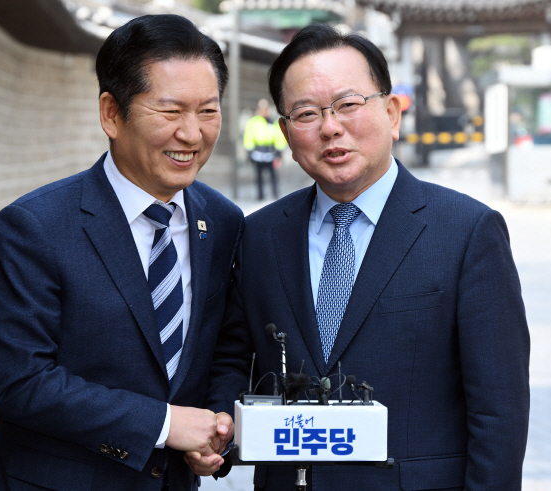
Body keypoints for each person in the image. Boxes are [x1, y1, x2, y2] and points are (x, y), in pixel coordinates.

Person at [203, 24, 530, 490]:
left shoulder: (467, 232)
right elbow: (234, 357)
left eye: (349, 104)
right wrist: (220, 424)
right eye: (306, 113)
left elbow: (499, 412)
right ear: (286, 134)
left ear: (392, 113)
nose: (330, 127)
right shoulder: (259, 235)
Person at [0, 14, 243, 490]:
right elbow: (21, 382)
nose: (192, 134)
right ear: (111, 114)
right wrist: (164, 424)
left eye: (208, 111)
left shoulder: (224, 221)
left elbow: (226, 347)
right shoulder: (35, 226)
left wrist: (218, 428)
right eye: (170, 111)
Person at [243, 99, 287, 200]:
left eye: (266, 109)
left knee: (273, 175)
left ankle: (275, 195)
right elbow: (248, 136)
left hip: (271, 152)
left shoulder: (274, 122)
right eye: (262, 109)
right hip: (258, 152)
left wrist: (279, 152)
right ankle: (260, 196)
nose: (264, 111)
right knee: (258, 175)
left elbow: (279, 136)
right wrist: (249, 151)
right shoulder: (253, 122)